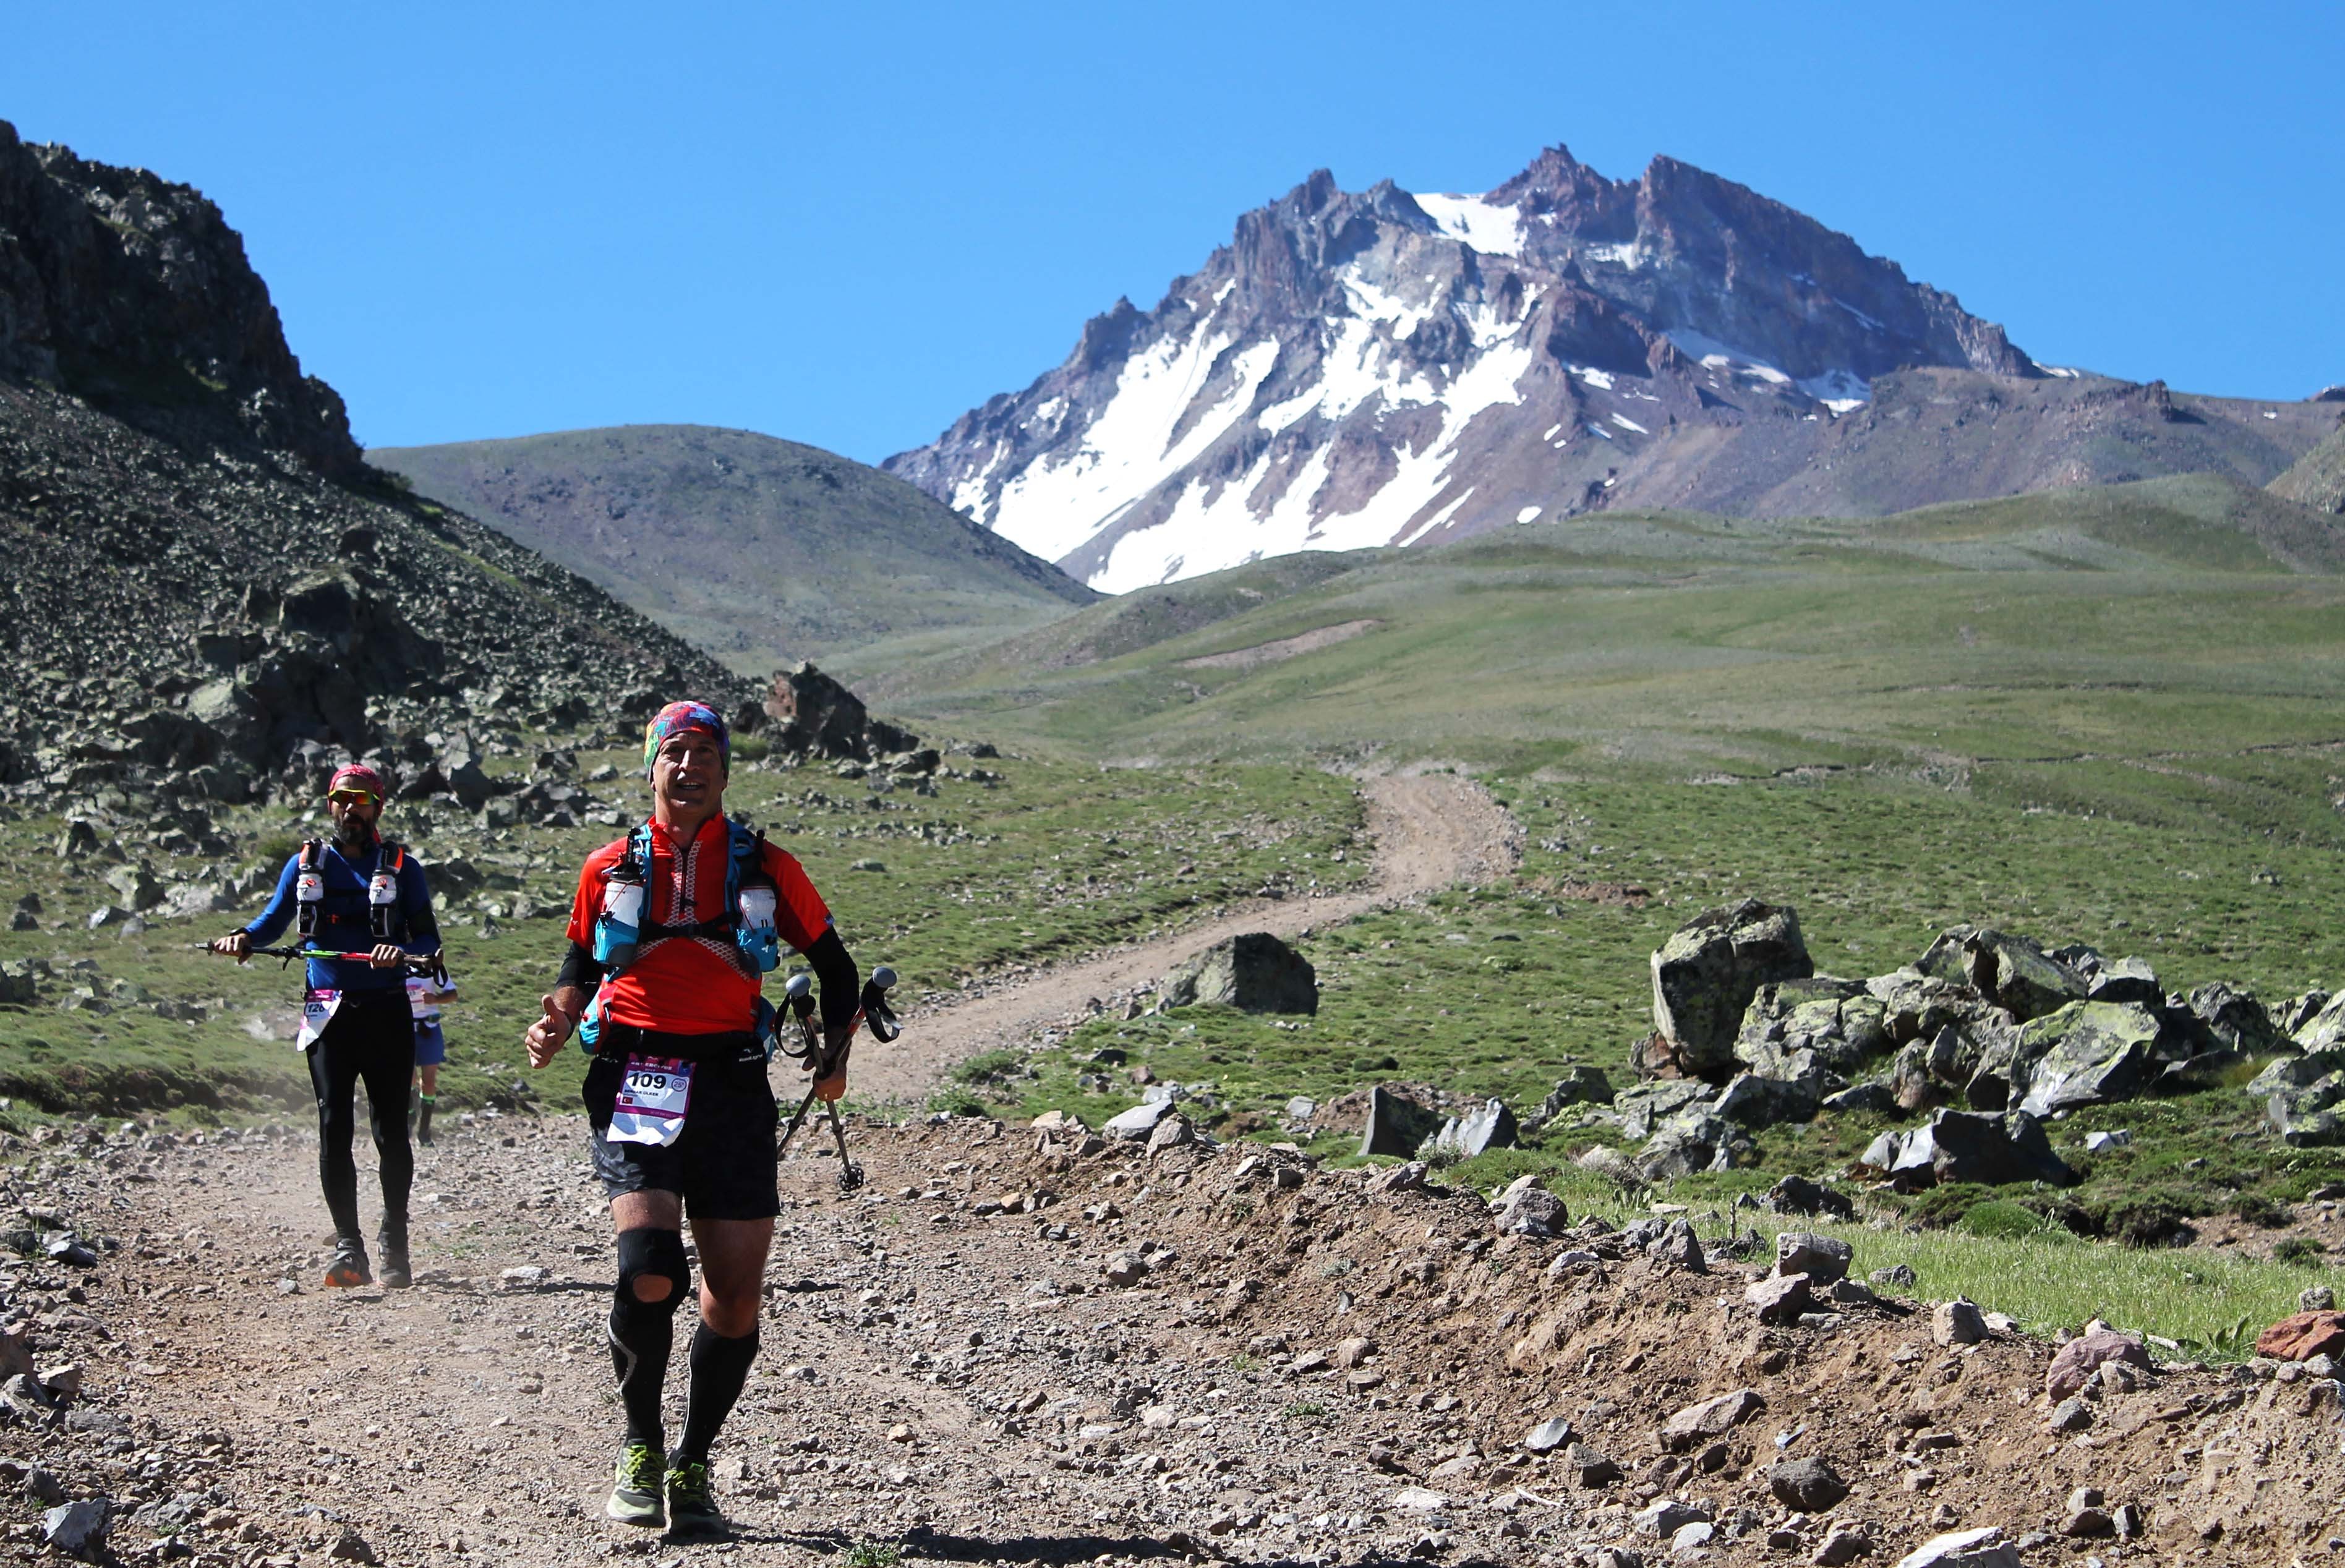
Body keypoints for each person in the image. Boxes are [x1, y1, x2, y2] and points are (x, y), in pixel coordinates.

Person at [524, 701, 860, 1535]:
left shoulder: (767, 867)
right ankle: (640, 1445)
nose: (690, 765)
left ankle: (694, 1461)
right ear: (652, 769)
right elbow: (579, 957)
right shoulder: (609, 866)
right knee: (648, 1265)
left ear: (724, 773)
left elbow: (836, 965)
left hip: (735, 1083)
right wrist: (560, 1019)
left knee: (735, 1296)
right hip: (636, 1072)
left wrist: (836, 1057)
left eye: (705, 753)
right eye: (674, 752)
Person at [211, 763, 440, 1289]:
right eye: (340, 799)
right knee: (333, 1129)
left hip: (386, 1012)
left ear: (377, 807)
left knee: (390, 1133)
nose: (348, 809)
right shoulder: (306, 864)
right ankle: (348, 1246)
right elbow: (273, 922)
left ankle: (395, 1242)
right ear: (330, 805)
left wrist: (399, 952)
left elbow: (428, 943)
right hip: (327, 1014)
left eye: (359, 800)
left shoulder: (404, 867)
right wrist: (244, 937)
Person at [406, 966, 456, 1146]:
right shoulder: (394, 964)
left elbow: (452, 994)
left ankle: (424, 1131)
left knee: (429, 1082)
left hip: (429, 1029)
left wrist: (435, 999)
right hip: (403, 1029)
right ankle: (410, 1114)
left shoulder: (431, 965)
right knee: (408, 1079)